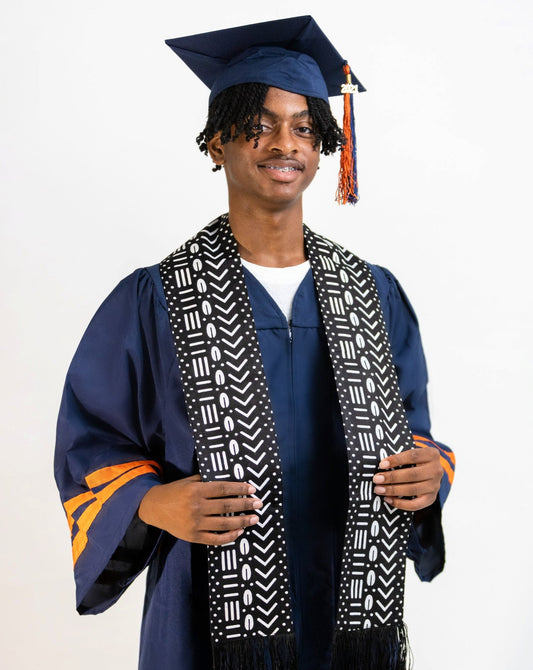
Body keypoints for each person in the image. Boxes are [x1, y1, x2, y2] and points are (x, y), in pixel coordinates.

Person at [54, 15, 455, 670]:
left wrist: (431, 470)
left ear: (325, 146)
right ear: (216, 144)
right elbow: (90, 440)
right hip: (207, 605)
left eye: (303, 126)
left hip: (350, 608)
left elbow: (415, 431)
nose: (284, 143)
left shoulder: (374, 293)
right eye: (258, 124)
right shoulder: (153, 300)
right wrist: (151, 501)